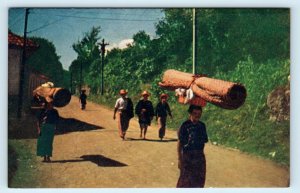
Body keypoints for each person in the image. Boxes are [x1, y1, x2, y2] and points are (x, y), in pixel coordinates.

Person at [177, 105, 208, 188]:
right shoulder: (184, 125)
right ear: (190, 114)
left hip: (199, 157)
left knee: (199, 180)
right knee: (185, 181)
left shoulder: (202, 126)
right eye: (195, 113)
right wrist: (180, 159)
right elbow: (180, 143)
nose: (197, 115)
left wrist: (200, 157)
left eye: (199, 114)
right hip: (187, 156)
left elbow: (203, 142)